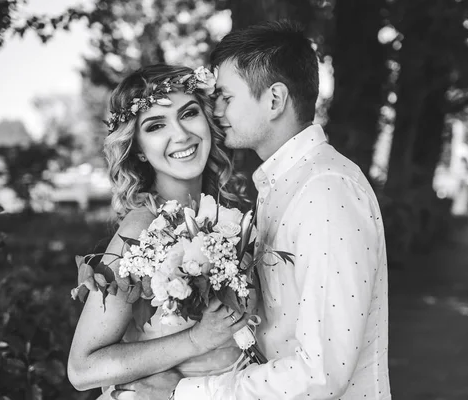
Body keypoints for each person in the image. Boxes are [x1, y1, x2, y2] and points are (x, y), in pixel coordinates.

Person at [114, 20, 392, 400]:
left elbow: (321, 373)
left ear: (275, 100)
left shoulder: (326, 191)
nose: (217, 110)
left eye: (227, 97)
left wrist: (186, 392)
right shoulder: (277, 189)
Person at [67, 64, 255, 399]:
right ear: (138, 148)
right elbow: (82, 369)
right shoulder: (142, 229)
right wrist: (196, 339)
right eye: (156, 126)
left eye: (189, 113)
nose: (181, 134)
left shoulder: (229, 214)